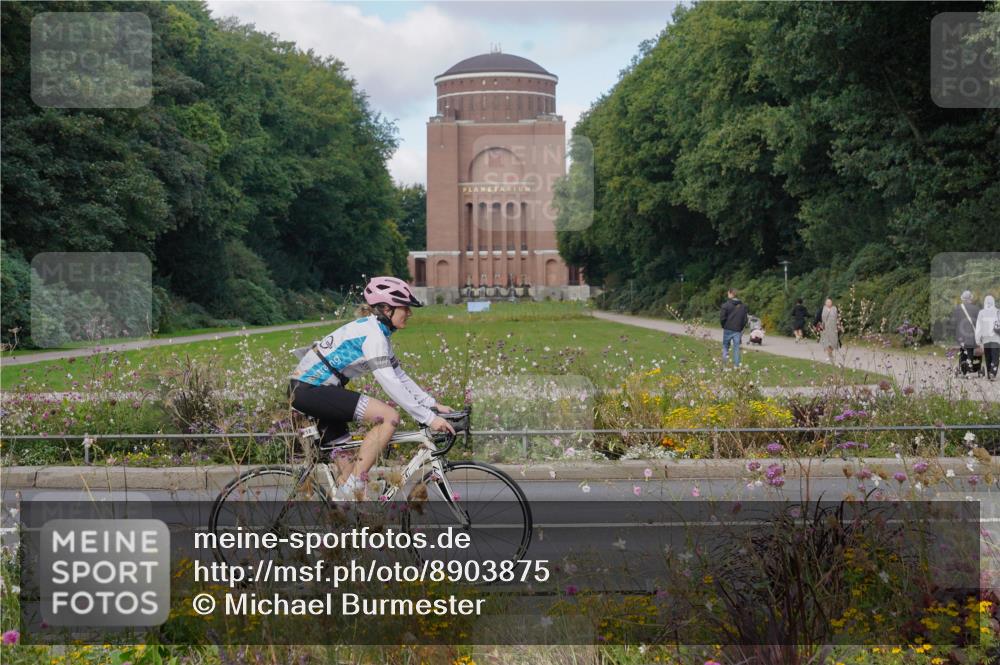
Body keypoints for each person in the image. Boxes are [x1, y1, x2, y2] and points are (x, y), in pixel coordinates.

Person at [288, 276, 456, 499]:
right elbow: (390, 382)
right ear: (386, 309)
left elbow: (400, 375)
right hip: (310, 390)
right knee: (389, 416)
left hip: (316, 392)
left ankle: (345, 516)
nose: (409, 313)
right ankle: (353, 487)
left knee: (351, 488)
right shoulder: (373, 336)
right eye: (405, 307)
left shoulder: (378, 334)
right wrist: (429, 418)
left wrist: (432, 404)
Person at [951, 290, 981, 376]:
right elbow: (979, 323)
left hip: (960, 335)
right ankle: (969, 365)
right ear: (971, 298)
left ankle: (962, 367)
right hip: (971, 335)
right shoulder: (976, 309)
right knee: (970, 350)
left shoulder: (957, 309)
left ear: (962, 299)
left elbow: (953, 323)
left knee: (962, 349)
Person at [720, 288, 749, 366]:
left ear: (730, 294)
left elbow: (722, 318)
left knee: (725, 347)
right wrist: (741, 327)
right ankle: (736, 366)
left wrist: (724, 326)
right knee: (736, 348)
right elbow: (745, 319)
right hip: (737, 330)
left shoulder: (725, 305)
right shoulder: (743, 306)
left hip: (728, 329)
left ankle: (724, 365)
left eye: (728, 293)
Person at [975, 295, 1000, 381]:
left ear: (985, 302)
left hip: (986, 339)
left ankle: (990, 373)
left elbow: (978, 327)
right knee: (995, 356)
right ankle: (992, 372)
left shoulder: (981, 313)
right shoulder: (998, 312)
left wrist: (977, 339)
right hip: (996, 338)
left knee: (988, 356)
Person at [819, 297, 839, 363]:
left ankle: (830, 354)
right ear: (825, 303)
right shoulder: (822, 309)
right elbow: (818, 317)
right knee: (827, 343)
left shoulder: (835, 309)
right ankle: (830, 356)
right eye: (827, 302)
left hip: (833, 329)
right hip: (825, 328)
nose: (829, 303)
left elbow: (838, 317)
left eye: (830, 302)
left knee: (833, 343)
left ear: (832, 303)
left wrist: (840, 325)